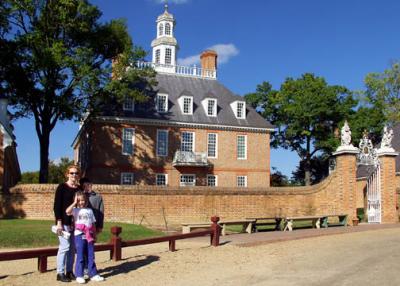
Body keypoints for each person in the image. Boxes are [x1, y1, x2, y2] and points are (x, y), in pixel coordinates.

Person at [66, 191, 105, 283]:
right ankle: (79, 275)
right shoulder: (75, 210)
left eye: (82, 200)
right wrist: (75, 203)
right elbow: (67, 211)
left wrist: (94, 235)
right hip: (79, 235)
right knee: (80, 255)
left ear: (86, 200)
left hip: (89, 235)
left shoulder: (90, 210)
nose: (81, 202)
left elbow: (93, 224)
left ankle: (93, 274)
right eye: (79, 200)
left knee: (91, 255)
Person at [53, 165, 81, 282]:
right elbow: (57, 206)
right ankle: (60, 272)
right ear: (67, 174)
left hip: (74, 223)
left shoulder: (78, 189)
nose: (74, 175)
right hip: (63, 222)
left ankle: (69, 271)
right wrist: (59, 222)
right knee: (64, 247)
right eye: (71, 173)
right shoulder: (62, 187)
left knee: (72, 249)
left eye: (76, 173)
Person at [79, 177, 104, 278]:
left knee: (90, 249)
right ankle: (84, 268)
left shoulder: (97, 197)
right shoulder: (79, 196)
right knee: (82, 249)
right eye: (84, 185)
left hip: (92, 227)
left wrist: (100, 226)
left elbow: (101, 212)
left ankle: (91, 269)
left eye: (89, 184)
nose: (87, 187)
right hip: (80, 228)